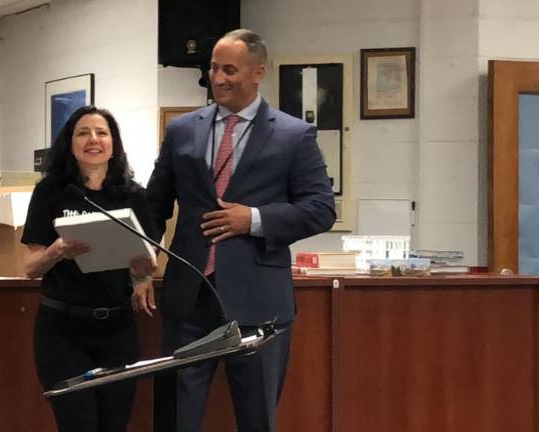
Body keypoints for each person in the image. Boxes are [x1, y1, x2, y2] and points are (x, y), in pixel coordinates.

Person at [145, 29, 336, 432]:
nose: (218, 78)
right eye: (213, 68)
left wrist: (253, 219)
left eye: (229, 70)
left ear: (257, 73)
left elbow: (320, 209)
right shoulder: (183, 130)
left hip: (258, 302)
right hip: (190, 297)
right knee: (176, 414)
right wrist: (141, 267)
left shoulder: (292, 135)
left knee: (256, 416)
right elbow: (154, 206)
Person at [21, 106, 156, 432]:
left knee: (114, 424)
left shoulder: (134, 195)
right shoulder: (52, 190)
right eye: (83, 133)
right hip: (62, 329)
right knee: (78, 424)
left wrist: (142, 277)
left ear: (114, 142)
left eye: (101, 133)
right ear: (70, 142)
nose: (93, 140)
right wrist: (57, 251)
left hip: (117, 328)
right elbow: (30, 267)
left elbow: (146, 258)